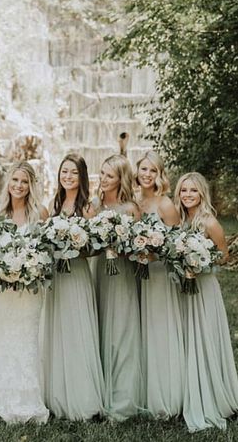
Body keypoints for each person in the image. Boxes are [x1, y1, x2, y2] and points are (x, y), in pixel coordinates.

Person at [0, 161, 50, 424]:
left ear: (31, 185)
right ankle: (1, 398)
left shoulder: (41, 214)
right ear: (7, 183)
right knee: (2, 337)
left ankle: (29, 398)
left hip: (30, 289)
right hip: (3, 289)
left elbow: (46, 255)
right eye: (15, 180)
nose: (19, 186)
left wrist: (30, 267)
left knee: (27, 339)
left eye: (24, 181)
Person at [174, 172, 238, 432]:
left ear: (202, 194)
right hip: (182, 286)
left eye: (193, 191)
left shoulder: (210, 222)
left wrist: (199, 261)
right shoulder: (180, 220)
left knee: (203, 337)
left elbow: (223, 256)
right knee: (186, 336)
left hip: (204, 287)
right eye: (183, 191)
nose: (188, 195)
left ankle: (211, 393)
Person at [43, 154, 105, 420]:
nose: (67, 177)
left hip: (77, 273)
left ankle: (82, 397)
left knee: (77, 328)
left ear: (82, 176)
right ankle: (57, 395)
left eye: (73, 173)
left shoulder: (89, 207)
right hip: (56, 274)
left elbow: (96, 248)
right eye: (64, 172)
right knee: (57, 328)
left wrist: (76, 247)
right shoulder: (54, 203)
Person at [135, 151, 185, 418]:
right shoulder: (135, 201)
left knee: (158, 331)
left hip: (157, 276)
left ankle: (166, 395)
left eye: (152, 171)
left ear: (159, 175)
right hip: (136, 275)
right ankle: (142, 391)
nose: (147, 174)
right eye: (143, 169)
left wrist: (153, 253)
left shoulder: (165, 205)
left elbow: (178, 246)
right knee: (140, 331)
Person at [93, 154, 142, 420]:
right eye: (101, 173)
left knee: (122, 331)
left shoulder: (131, 209)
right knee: (100, 327)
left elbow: (139, 247)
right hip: (99, 271)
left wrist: (118, 246)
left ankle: (123, 400)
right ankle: (100, 393)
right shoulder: (94, 205)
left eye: (109, 176)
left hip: (122, 275)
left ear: (120, 179)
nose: (103, 179)